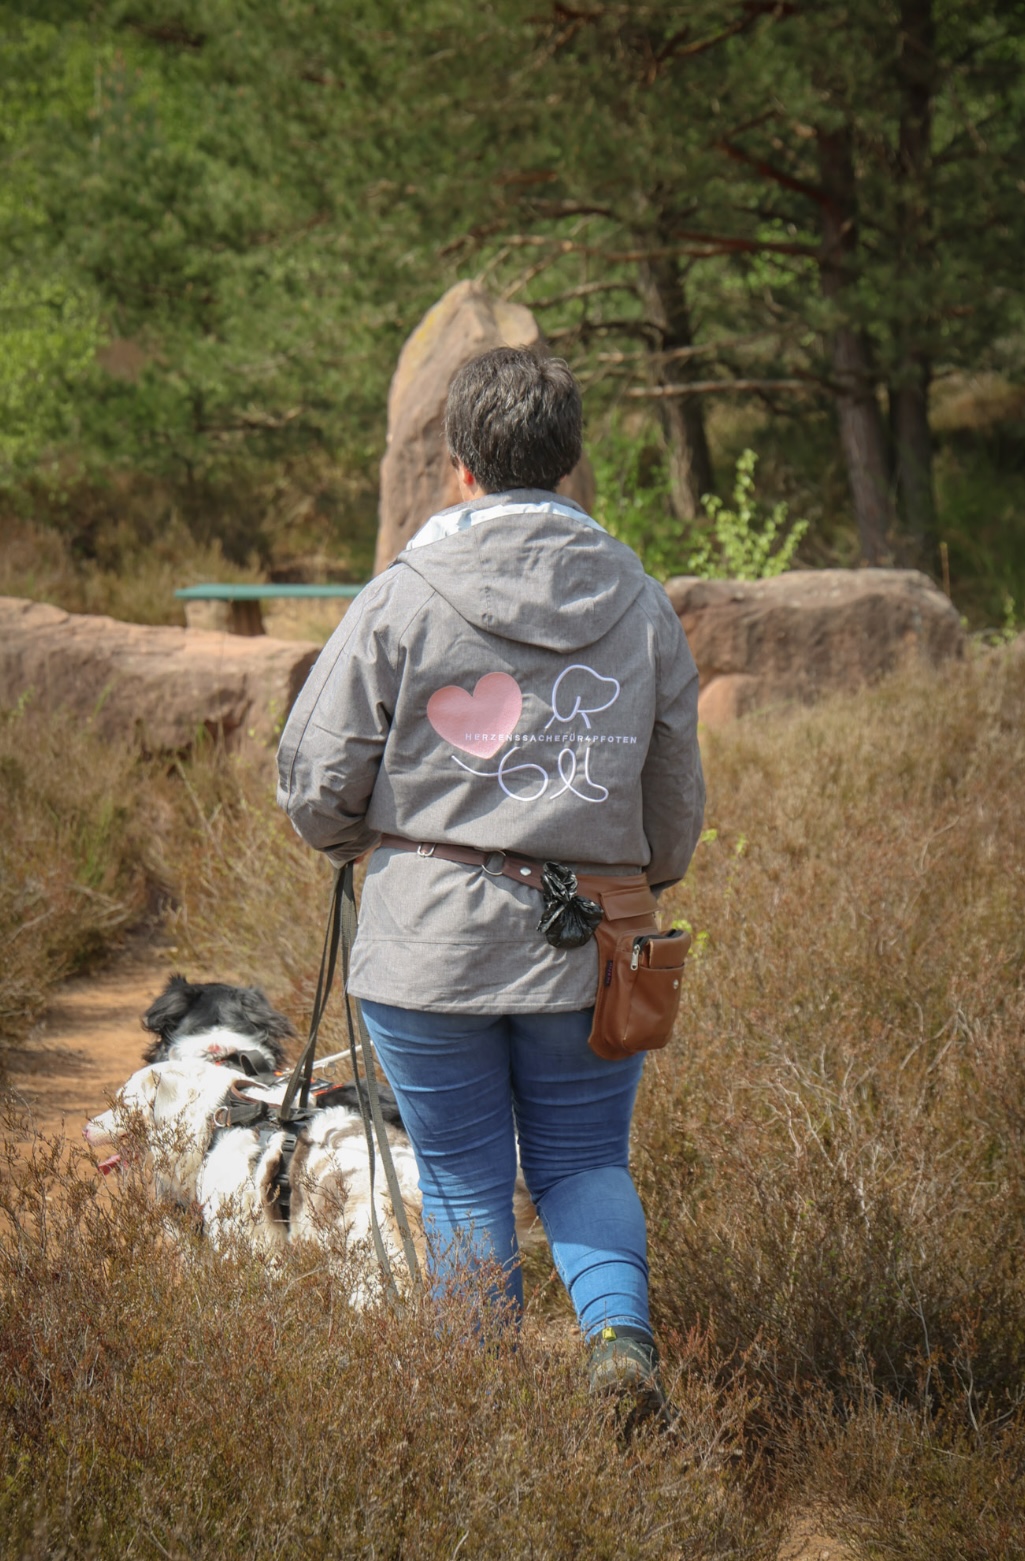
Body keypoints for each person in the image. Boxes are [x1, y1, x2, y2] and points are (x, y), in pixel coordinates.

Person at [277, 347, 705, 1423]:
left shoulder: (401, 596)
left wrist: (365, 842)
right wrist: (621, 872)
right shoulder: (640, 599)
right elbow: (672, 812)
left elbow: (316, 782)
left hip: (426, 950)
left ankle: (480, 1418)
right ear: (569, 461)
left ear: (456, 464)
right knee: (581, 1162)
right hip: (594, 946)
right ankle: (614, 1341)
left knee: (465, 1182)